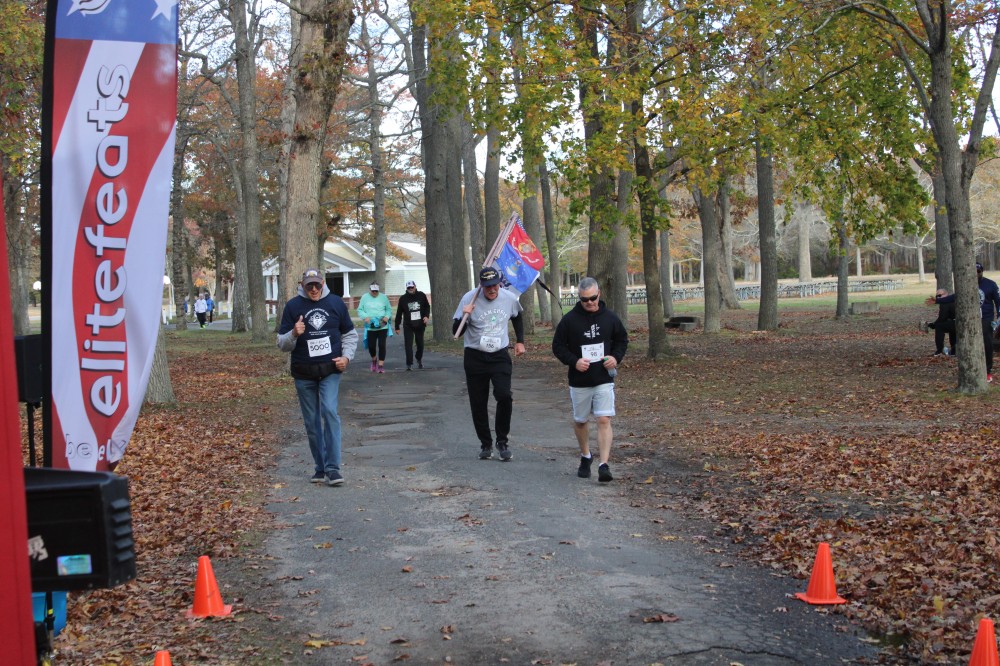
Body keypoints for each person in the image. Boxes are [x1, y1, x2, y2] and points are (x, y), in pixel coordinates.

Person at [276, 268, 357, 486]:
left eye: (317, 285)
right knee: (312, 422)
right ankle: (320, 467)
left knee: (329, 411)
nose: (313, 289)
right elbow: (282, 344)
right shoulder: (293, 306)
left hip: (330, 370)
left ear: (323, 283)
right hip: (304, 372)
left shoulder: (336, 303)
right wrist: (294, 333)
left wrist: (346, 358)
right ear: (302, 285)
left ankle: (333, 468)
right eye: (309, 285)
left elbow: (350, 334)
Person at [552, 277, 629, 483]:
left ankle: (604, 465)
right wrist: (574, 361)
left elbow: (622, 340)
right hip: (580, 381)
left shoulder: (610, 318)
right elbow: (557, 346)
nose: (590, 303)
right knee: (581, 421)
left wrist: (615, 358)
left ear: (599, 294)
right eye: (585, 299)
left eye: (593, 298)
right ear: (579, 298)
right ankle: (586, 456)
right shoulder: (569, 320)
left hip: (603, 378)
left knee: (603, 419)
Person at [453, 267, 525, 461]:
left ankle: (502, 442)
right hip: (475, 356)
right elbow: (456, 332)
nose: (492, 290)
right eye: (487, 287)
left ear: (499, 283)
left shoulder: (509, 298)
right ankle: (486, 444)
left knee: (504, 396)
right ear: (481, 285)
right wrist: (464, 316)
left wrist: (520, 341)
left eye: (495, 286)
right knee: (478, 402)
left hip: (499, 355)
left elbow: (517, 317)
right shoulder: (469, 298)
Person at [933, 263, 1000, 382]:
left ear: (982, 272)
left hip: (986, 319)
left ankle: (987, 371)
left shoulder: (990, 285)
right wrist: (937, 301)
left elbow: (998, 302)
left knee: (987, 344)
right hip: (969, 318)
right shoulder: (966, 284)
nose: (976, 274)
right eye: (974, 271)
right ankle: (971, 370)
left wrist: (999, 317)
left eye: (978, 271)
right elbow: (955, 297)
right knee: (968, 343)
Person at [394, 280, 431, 370]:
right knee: (408, 344)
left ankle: (419, 358)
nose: (410, 289)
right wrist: (397, 326)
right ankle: (409, 364)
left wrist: (426, 316)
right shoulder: (403, 299)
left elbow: (427, 306)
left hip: (420, 324)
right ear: (407, 288)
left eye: (412, 287)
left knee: (420, 344)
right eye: (409, 287)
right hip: (408, 325)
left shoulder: (421, 295)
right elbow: (399, 313)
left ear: (415, 286)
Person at [357, 282, 392, 373]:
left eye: (376, 291)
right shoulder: (364, 297)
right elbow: (360, 310)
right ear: (370, 290)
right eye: (373, 291)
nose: (375, 293)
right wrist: (365, 317)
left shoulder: (384, 297)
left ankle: (380, 366)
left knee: (382, 345)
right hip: (370, 326)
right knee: (371, 346)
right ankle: (374, 359)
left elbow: (388, 309)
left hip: (382, 325)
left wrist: (387, 317)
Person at [923, 289, 956, 356]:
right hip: (956, 322)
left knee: (939, 327)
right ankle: (954, 350)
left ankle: (939, 350)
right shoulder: (951, 301)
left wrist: (934, 324)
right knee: (949, 327)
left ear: (946, 294)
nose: (938, 297)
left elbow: (942, 317)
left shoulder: (945, 303)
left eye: (940, 295)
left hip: (956, 323)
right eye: (937, 296)